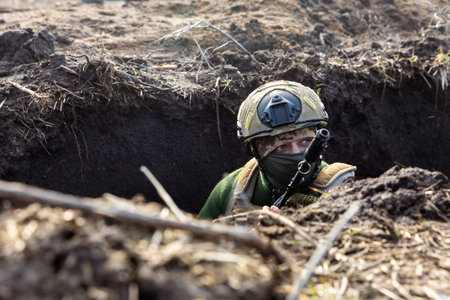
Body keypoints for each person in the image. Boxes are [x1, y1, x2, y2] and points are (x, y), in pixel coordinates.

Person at [197, 80, 356, 219]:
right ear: (257, 152)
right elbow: (191, 244)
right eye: (282, 147)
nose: (296, 154)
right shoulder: (231, 190)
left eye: (305, 141)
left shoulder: (338, 188)